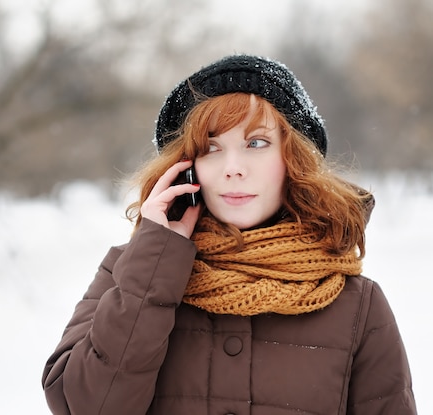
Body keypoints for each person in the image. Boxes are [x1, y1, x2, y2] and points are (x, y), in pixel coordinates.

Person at [41, 54, 417, 414]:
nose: (233, 168)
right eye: (211, 148)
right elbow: (88, 406)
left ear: (294, 161)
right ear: (186, 169)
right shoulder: (130, 272)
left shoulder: (357, 304)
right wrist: (156, 262)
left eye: (256, 143)